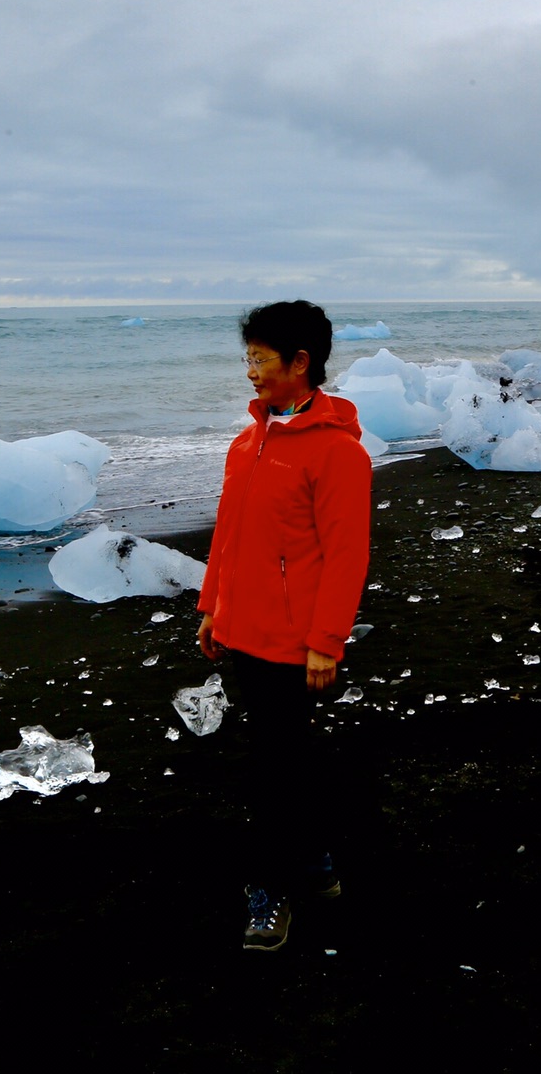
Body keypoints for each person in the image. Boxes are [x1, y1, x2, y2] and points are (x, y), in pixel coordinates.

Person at [197, 300, 372, 952]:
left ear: (301, 363)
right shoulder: (248, 443)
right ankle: (314, 860)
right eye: (247, 359)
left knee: (275, 764)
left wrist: (326, 641)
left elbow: (347, 554)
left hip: (294, 641)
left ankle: (273, 890)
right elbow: (230, 534)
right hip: (243, 627)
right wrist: (213, 605)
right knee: (284, 755)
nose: (250, 373)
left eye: (260, 360)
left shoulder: (336, 454)